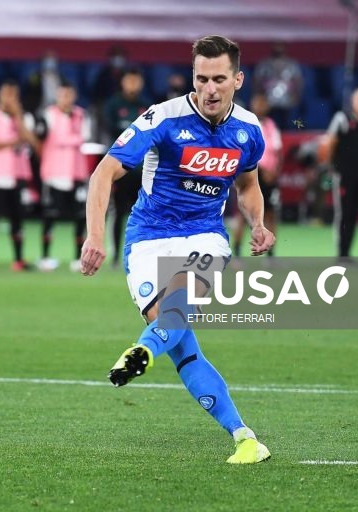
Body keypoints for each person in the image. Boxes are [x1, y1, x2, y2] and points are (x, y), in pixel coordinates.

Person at [80, 35, 275, 464]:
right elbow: (103, 173)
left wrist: (258, 223)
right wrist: (95, 235)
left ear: (237, 79)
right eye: (201, 78)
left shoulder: (248, 131)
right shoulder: (162, 119)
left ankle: (143, 351)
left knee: (180, 307)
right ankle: (245, 437)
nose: (209, 88)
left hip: (205, 234)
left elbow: (248, 185)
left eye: (219, 79)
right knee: (182, 341)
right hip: (148, 237)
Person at [0, 79, 38, 272]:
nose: (10, 98)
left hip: (17, 174)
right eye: (6, 94)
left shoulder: (24, 117)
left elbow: (30, 140)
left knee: (18, 219)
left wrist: (18, 116)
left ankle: (18, 260)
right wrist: (14, 141)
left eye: (13, 94)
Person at [35, 81, 90, 272]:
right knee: (50, 215)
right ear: (57, 96)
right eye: (63, 95)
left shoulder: (81, 115)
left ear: (74, 96)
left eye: (69, 95)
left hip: (76, 173)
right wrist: (71, 139)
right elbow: (56, 138)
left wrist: (64, 139)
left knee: (80, 216)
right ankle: (46, 256)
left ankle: (78, 257)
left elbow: (85, 137)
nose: (66, 99)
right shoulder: (48, 114)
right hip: (54, 174)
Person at [101, 68, 151, 268]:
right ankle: (115, 256)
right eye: (129, 79)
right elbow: (110, 132)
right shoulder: (113, 105)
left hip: (143, 170)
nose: (132, 84)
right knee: (118, 212)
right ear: (123, 82)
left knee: (143, 212)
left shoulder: (146, 106)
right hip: (121, 170)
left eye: (136, 79)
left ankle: (141, 253)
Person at [326, 86, 358, 260]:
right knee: (344, 213)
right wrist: (331, 166)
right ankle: (341, 253)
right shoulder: (342, 119)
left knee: (355, 212)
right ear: (353, 101)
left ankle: (347, 252)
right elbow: (330, 143)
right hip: (342, 174)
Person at [232, 93, 282, 259]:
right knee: (244, 214)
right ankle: (237, 252)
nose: (261, 107)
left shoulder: (271, 125)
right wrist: (261, 170)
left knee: (271, 214)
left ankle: (271, 255)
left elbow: (278, 150)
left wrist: (275, 172)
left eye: (263, 103)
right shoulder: (245, 125)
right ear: (252, 105)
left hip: (270, 178)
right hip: (251, 175)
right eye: (258, 103)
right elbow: (242, 153)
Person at [253, 42, 303, 129]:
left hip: (288, 102)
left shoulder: (291, 64)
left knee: (289, 123)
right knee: (268, 124)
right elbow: (257, 81)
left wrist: (296, 96)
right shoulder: (265, 64)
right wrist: (260, 97)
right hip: (268, 102)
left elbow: (299, 81)